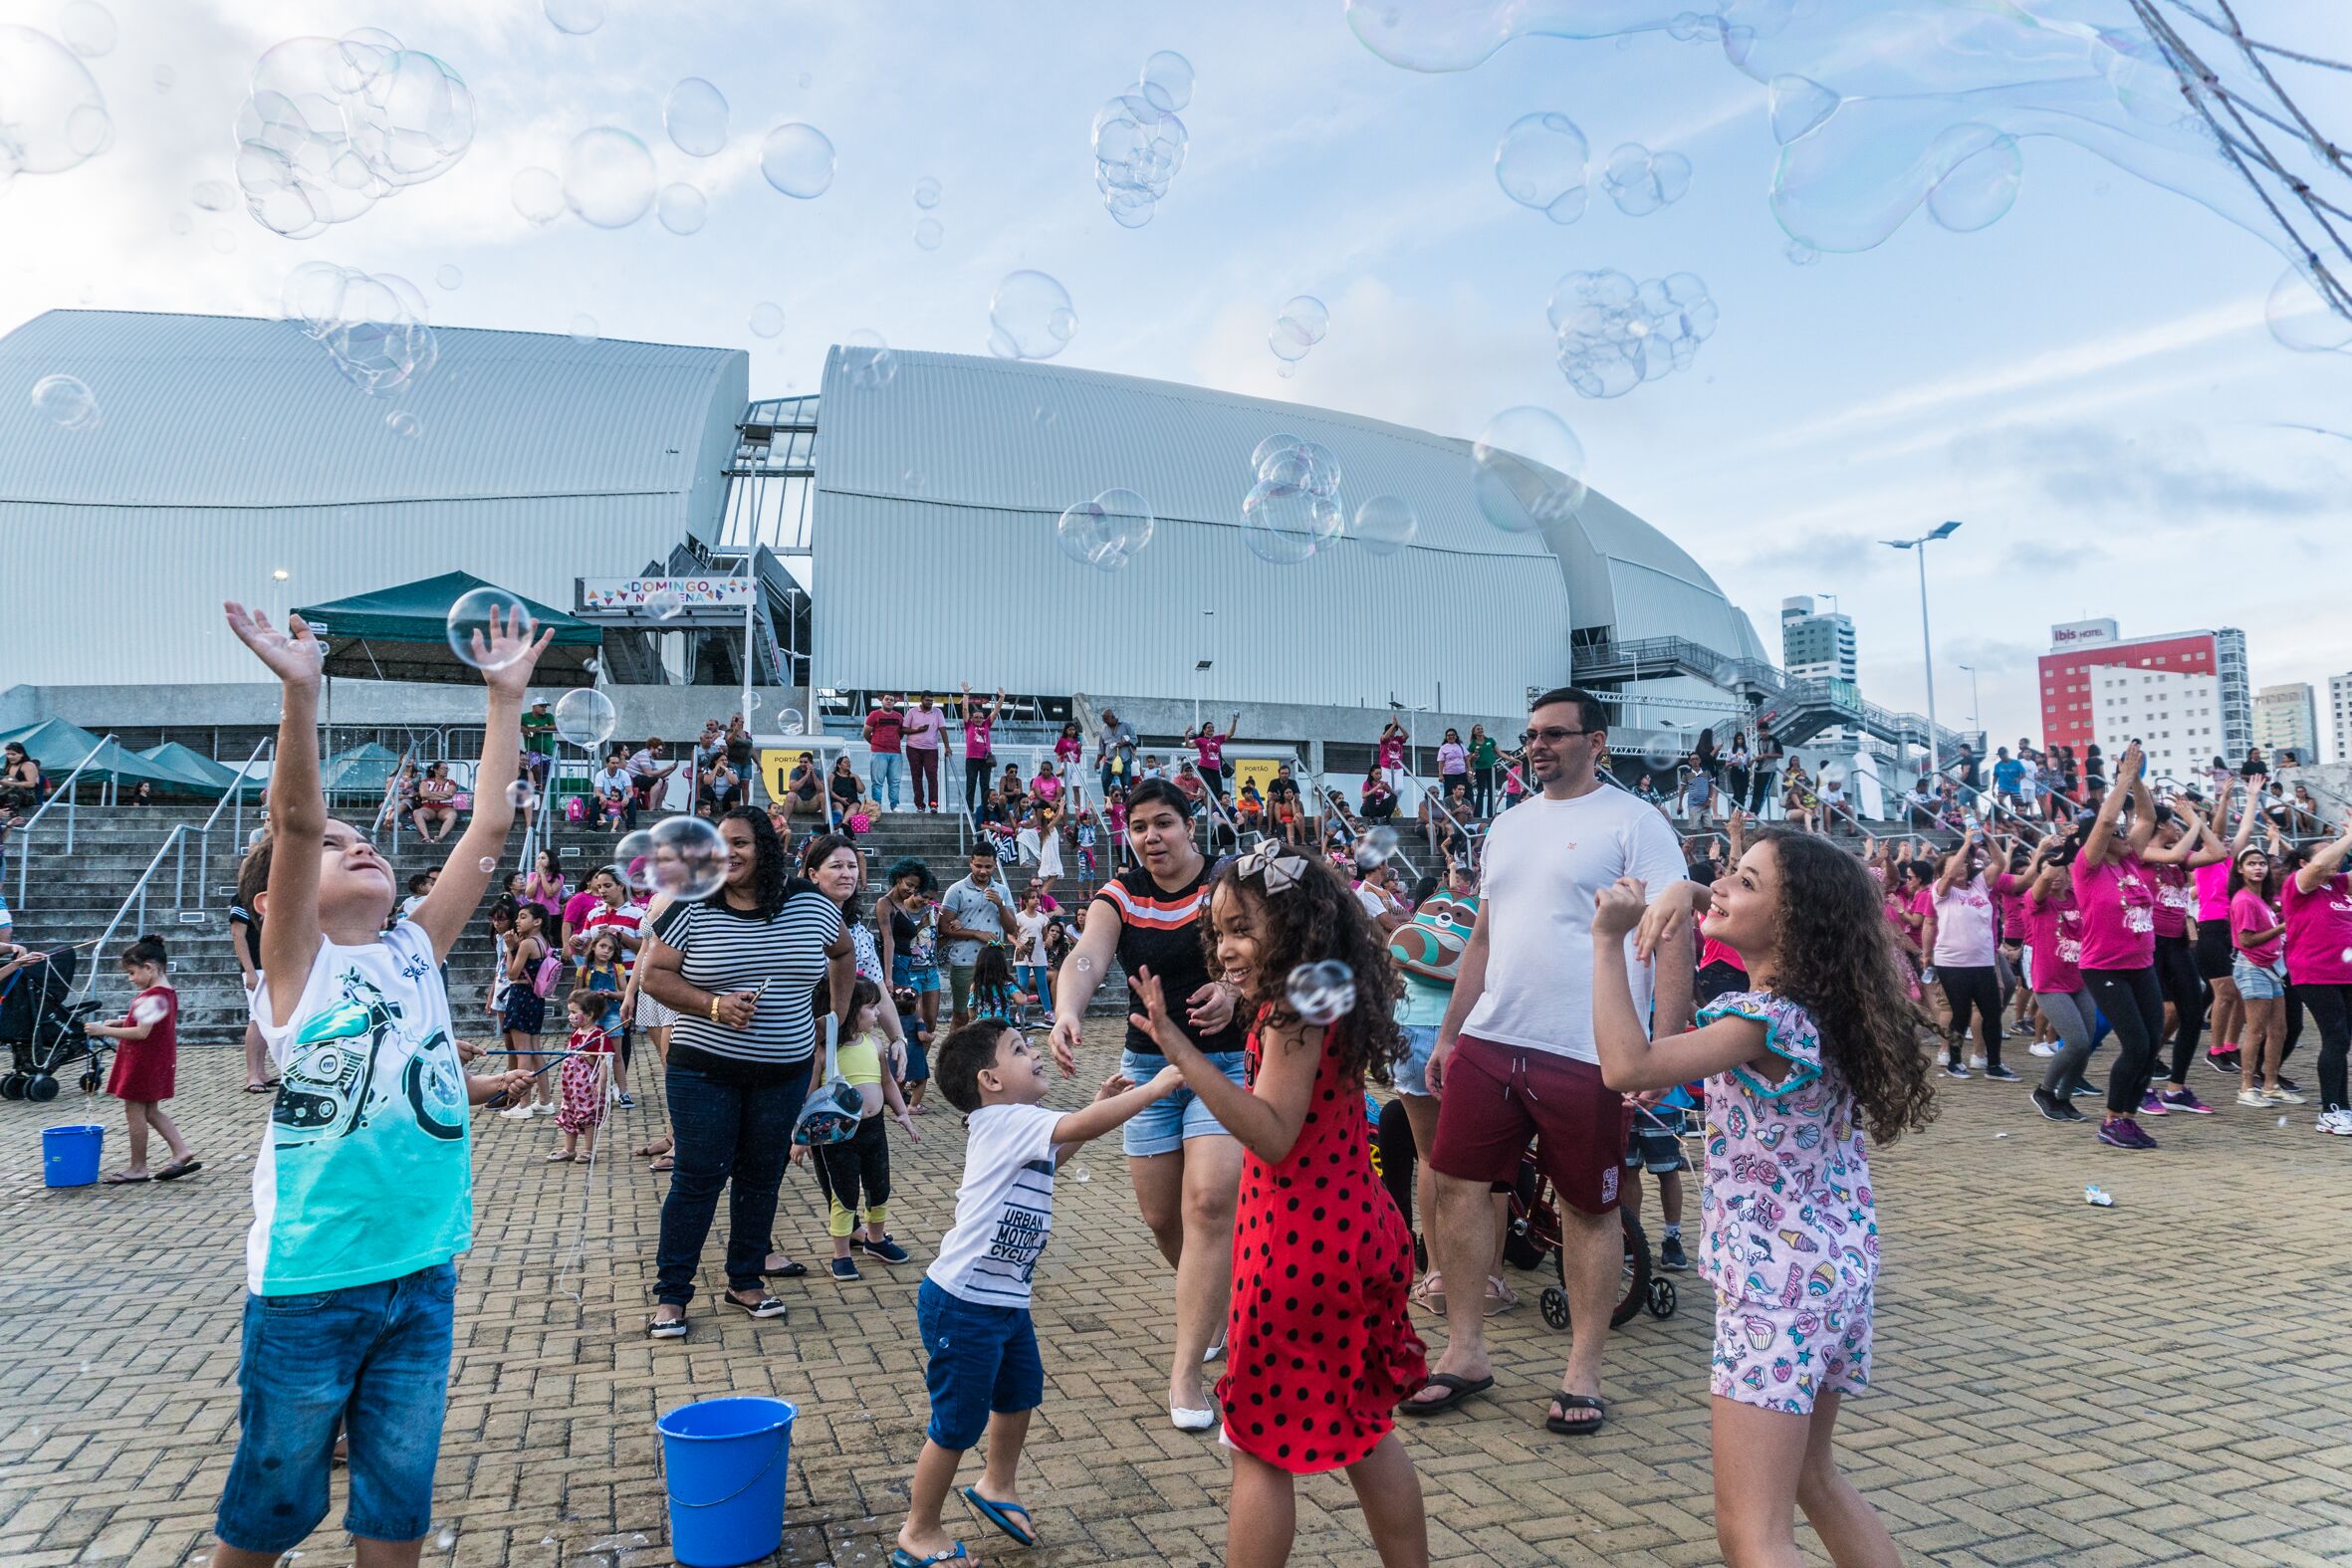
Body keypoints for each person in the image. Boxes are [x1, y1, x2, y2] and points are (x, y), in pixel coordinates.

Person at [209, 596, 540, 1568]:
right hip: (312, 1285)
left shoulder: (414, 952)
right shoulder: (296, 968)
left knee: (395, 1508)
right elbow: (298, 817)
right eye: (336, 848)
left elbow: (488, 823)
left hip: (422, 1270)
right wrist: (301, 693)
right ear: (276, 903)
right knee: (270, 1510)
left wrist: (505, 700)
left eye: (371, 839)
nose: (361, 843)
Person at [1589, 829, 1935, 1568]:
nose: (1722, 886)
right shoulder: (1816, 1008)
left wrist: (1606, 939)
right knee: (1815, 1477)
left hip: (1776, 1288)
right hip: (1832, 1273)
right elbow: (1693, 1001)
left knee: (1753, 1535)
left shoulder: (1762, 1019)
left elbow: (1628, 1065)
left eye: (1744, 881)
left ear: (1794, 921)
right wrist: (1684, 892)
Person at [1127, 843, 1430, 1568]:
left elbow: (1271, 1133)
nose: (1225, 948)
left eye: (1241, 928)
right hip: (1357, 1231)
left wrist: (1180, 1050)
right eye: (1219, 931)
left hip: (1300, 1250)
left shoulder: (1289, 1010)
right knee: (1365, 1427)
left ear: (1292, 924)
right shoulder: (1322, 986)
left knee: (1260, 1448)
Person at [1402, 687, 1692, 1432]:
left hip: (1589, 1048)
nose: (1537, 746)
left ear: (1597, 741)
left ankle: (1582, 1370)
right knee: (1459, 1188)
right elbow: (1483, 940)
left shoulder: (1635, 821)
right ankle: (1465, 1351)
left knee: (1587, 1207)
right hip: (1494, 1039)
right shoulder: (1506, 825)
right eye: (1531, 734)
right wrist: (1448, 1035)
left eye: (1556, 734)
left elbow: (1672, 930)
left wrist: (1664, 1048)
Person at [891, 1024, 1181, 1568]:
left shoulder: (1014, 1125)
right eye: (1019, 1051)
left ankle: (998, 1484)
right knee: (955, 1425)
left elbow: (1060, 1148)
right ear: (991, 1080)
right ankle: (918, 1529)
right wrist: (1156, 1087)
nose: (1034, 1054)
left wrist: (1098, 1103)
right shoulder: (1005, 1120)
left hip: (1005, 1299)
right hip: (966, 1301)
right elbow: (1077, 1126)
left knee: (1020, 1393)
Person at [1050, 778, 1246, 1430]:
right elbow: (1087, 955)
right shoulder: (1121, 893)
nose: (1152, 836)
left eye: (1164, 822)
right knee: (1163, 1215)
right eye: (1139, 826)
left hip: (1225, 1064)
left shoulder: (1225, 882)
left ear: (1190, 826)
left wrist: (1233, 991)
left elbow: (1260, 957)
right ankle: (1216, 1300)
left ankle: (1188, 1371)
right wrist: (1066, 1011)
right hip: (1146, 1071)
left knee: (1211, 1201)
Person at [639, 806, 857, 1338]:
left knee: (762, 1175)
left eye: (737, 843)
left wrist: (836, 1017)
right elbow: (653, 976)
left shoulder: (812, 905)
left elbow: (843, 953)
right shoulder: (691, 906)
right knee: (699, 1175)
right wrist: (713, 1006)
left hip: (783, 1070)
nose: (725, 854)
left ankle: (744, 1278)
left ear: (764, 847)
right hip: (703, 1070)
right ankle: (672, 1294)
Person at [806, 973, 918, 1281]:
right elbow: (810, 1094)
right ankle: (840, 1253)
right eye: (871, 1007)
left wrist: (903, 1113)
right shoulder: (824, 1051)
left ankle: (876, 1239)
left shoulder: (875, 1044)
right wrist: (800, 1138)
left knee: (879, 1186)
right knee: (843, 1193)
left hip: (874, 1130)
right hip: (837, 1135)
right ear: (849, 1010)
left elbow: (886, 1082)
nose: (878, 1013)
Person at [86, 934, 199, 1184]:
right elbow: (146, 1024)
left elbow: (140, 1032)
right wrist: (120, 1022)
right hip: (156, 1059)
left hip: (142, 1062)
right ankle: (181, 1151)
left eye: (132, 972)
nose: (131, 979)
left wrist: (102, 1030)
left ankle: (138, 1167)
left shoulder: (151, 996)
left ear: (148, 967)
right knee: (151, 1111)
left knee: (135, 1111)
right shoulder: (165, 993)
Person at [2280, 815, 2352, 1134]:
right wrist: (2345, 839)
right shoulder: (2297, 885)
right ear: (2302, 861)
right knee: (2335, 1037)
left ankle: (2343, 1107)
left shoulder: (2339, 884)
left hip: (2345, 973)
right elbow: (2319, 867)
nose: (2338, 858)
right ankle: (2330, 1110)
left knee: (2342, 1041)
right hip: (2315, 974)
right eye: (2329, 852)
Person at [1930, 828, 2014, 1081]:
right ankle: (1955, 1062)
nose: (1962, 867)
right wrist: (1966, 843)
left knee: (1991, 1012)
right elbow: (1948, 875)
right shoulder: (1941, 891)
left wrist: (1988, 838)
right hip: (1952, 963)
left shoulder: (1979, 886)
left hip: (1983, 962)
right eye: (1957, 864)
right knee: (1961, 1013)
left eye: (1965, 863)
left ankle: (1994, 1064)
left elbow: (2000, 863)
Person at [2229, 843, 2292, 1109]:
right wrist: (2282, 927)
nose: (2258, 868)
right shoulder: (2243, 899)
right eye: (2252, 864)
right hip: (2253, 967)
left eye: (2262, 863)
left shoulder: (2261, 899)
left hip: (2271, 969)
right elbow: (2246, 940)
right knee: (2255, 1031)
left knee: (2279, 1029)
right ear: (2241, 869)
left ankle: (2270, 1085)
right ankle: (2246, 1087)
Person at [941, 849, 1018, 1028]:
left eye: (988, 867)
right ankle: (954, 1055)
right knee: (962, 1015)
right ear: (971, 862)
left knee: (993, 1014)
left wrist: (1000, 905)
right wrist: (976, 933)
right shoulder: (957, 889)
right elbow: (943, 927)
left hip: (994, 963)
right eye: (978, 866)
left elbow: (1012, 928)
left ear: (995, 865)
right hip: (965, 960)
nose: (983, 871)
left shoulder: (1002, 891)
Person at [228, 859, 278, 1095]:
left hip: (275, 963)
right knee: (257, 1018)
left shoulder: (276, 893)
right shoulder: (244, 898)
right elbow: (238, 935)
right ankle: (252, 1073)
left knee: (268, 1018)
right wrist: (248, 970)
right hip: (257, 967)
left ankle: (262, 1071)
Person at [498, 902, 553, 1117]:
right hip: (536, 998)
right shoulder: (543, 941)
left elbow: (512, 974)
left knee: (523, 1051)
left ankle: (523, 1104)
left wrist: (511, 948)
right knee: (535, 1049)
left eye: (523, 917)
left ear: (537, 921)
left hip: (521, 996)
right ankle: (545, 1100)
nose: (517, 921)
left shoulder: (528, 943)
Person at [551, 989, 615, 1165]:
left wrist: (601, 1081)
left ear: (589, 1014)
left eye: (574, 1012)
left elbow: (604, 1061)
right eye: (569, 1012)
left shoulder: (598, 1036)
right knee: (568, 1115)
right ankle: (569, 1149)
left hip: (587, 1087)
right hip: (571, 1086)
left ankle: (588, 1150)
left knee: (588, 1117)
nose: (570, 1016)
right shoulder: (577, 1033)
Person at [959, 683, 1005, 823]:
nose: (978, 719)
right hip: (972, 759)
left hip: (985, 760)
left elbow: (995, 712)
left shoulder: (986, 725)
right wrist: (966, 694)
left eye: (980, 717)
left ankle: (986, 808)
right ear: (972, 719)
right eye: (976, 717)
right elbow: (965, 709)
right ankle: (969, 808)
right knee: (971, 783)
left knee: (985, 785)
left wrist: (1001, 698)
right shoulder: (969, 725)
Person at [1012, 884, 1054, 1022]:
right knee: (1022, 983)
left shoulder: (1042, 918)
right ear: (1025, 901)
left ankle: (1048, 1011)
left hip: (1038, 953)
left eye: (1037, 898)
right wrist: (1018, 943)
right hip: (1022, 953)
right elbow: (1010, 935)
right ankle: (1021, 1013)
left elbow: (1045, 934)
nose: (1036, 900)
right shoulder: (1019, 917)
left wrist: (1048, 939)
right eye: (1033, 898)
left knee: (1042, 983)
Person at [902, 693, 949, 813]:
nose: (930, 703)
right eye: (927, 700)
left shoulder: (937, 712)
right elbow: (903, 729)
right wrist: (918, 730)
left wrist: (947, 747)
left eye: (932, 701)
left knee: (932, 775)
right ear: (921, 700)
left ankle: (933, 804)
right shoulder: (912, 712)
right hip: (913, 748)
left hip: (931, 749)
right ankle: (920, 805)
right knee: (917, 776)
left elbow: (943, 730)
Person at [864, 694, 906, 811]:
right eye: (886, 699)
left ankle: (895, 805)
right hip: (879, 752)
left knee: (895, 781)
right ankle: (877, 806)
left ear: (894, 703)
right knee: (877, 782)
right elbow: (866, 733)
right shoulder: (874, 715)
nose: (889, 701)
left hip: (895, 753)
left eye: (891, 700)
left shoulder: (899, 716)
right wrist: (875, 743)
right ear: (882, 701)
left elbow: (901, 733)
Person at [1191, 713, 1239, 800]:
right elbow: (1189, 746)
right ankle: (1206, 803)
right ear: (1204, 730)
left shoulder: (1217, 739)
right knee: (1212, 789)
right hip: (1204, 768)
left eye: (1212, 727)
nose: (1211, 729)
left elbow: (1230, 734)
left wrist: (1234, 721)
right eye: (1209, 727)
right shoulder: (1200, 740)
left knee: (1219, 792)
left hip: (1215, 769)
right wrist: (1186, 735)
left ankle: (1216, 810)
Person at [1095, 707, 1139, 801]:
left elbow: (1135, 739)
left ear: (1112, 716)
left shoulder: (1125, 726)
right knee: (1105, 780)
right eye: (1103, 720)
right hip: (1110, 761)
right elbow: (1101, 748)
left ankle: (1126, 806)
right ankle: (1108, 803)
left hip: (1124, 760)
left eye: (1106, 719)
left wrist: (1124, 743)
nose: (1105, 722)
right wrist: (1097, 761)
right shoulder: (1103, 730)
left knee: (1126, 784)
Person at [626, 739, 679, 817]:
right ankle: (652, 809)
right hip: (633, 780)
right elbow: (649, 774)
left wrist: (672, 769)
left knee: (665, 783)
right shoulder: (643, 755)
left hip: (640, 778)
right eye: (659, 750)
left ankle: (658, 807)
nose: (661, 752)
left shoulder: (651, 758)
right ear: (652, 748)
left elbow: (659, 776)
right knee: (659, 781)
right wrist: (667, 768)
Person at [410, 761, 459, 843]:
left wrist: (431, 795)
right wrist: (443, 795)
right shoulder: (426, 781)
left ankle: (440, 837)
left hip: (445, 808)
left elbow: (450, 794)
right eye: (443, 768)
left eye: (447, 769)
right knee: (417, 813)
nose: (446, 770)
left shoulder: (451, 782)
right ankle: (426, 837)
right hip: (428, 808)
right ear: (436, 770)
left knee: (452, 815)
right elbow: (424, 795)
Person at [592, 751, 635, 831]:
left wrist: (627, 797)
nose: (616, 765)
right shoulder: (600, 774)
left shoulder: (624, 774)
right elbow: (597, 791)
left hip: (619, 798)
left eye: (617, 763)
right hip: (605, 799)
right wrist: (601, 795)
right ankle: (592, 826)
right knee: (594, 800)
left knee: (632, 800)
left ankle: (631, 826)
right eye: (613, 763)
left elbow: (630, 791)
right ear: (606, 763)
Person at [0, 740, 44, 817]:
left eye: (13, 754)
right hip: (10, 793)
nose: (10, 757)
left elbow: (31, 784)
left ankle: (13, 816)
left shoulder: (28, 765)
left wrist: (10, 784)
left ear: (21, 754)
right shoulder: (9, 766)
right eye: (8, 754)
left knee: (13, 790)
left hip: (28, 796)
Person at [1376, 719, 1408, 791]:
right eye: (1393, 730)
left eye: (1395, 730)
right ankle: (1386, 802)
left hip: (1398, 767)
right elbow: (1384, 737)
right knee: (1386, 788)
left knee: (1400, 788)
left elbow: (1406, 735)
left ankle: (1394, 802)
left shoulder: (1398, 739)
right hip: (1386, 767)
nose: (1394, 731)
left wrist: (1398, 724)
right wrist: (1393, 725)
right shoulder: (1383, 738)